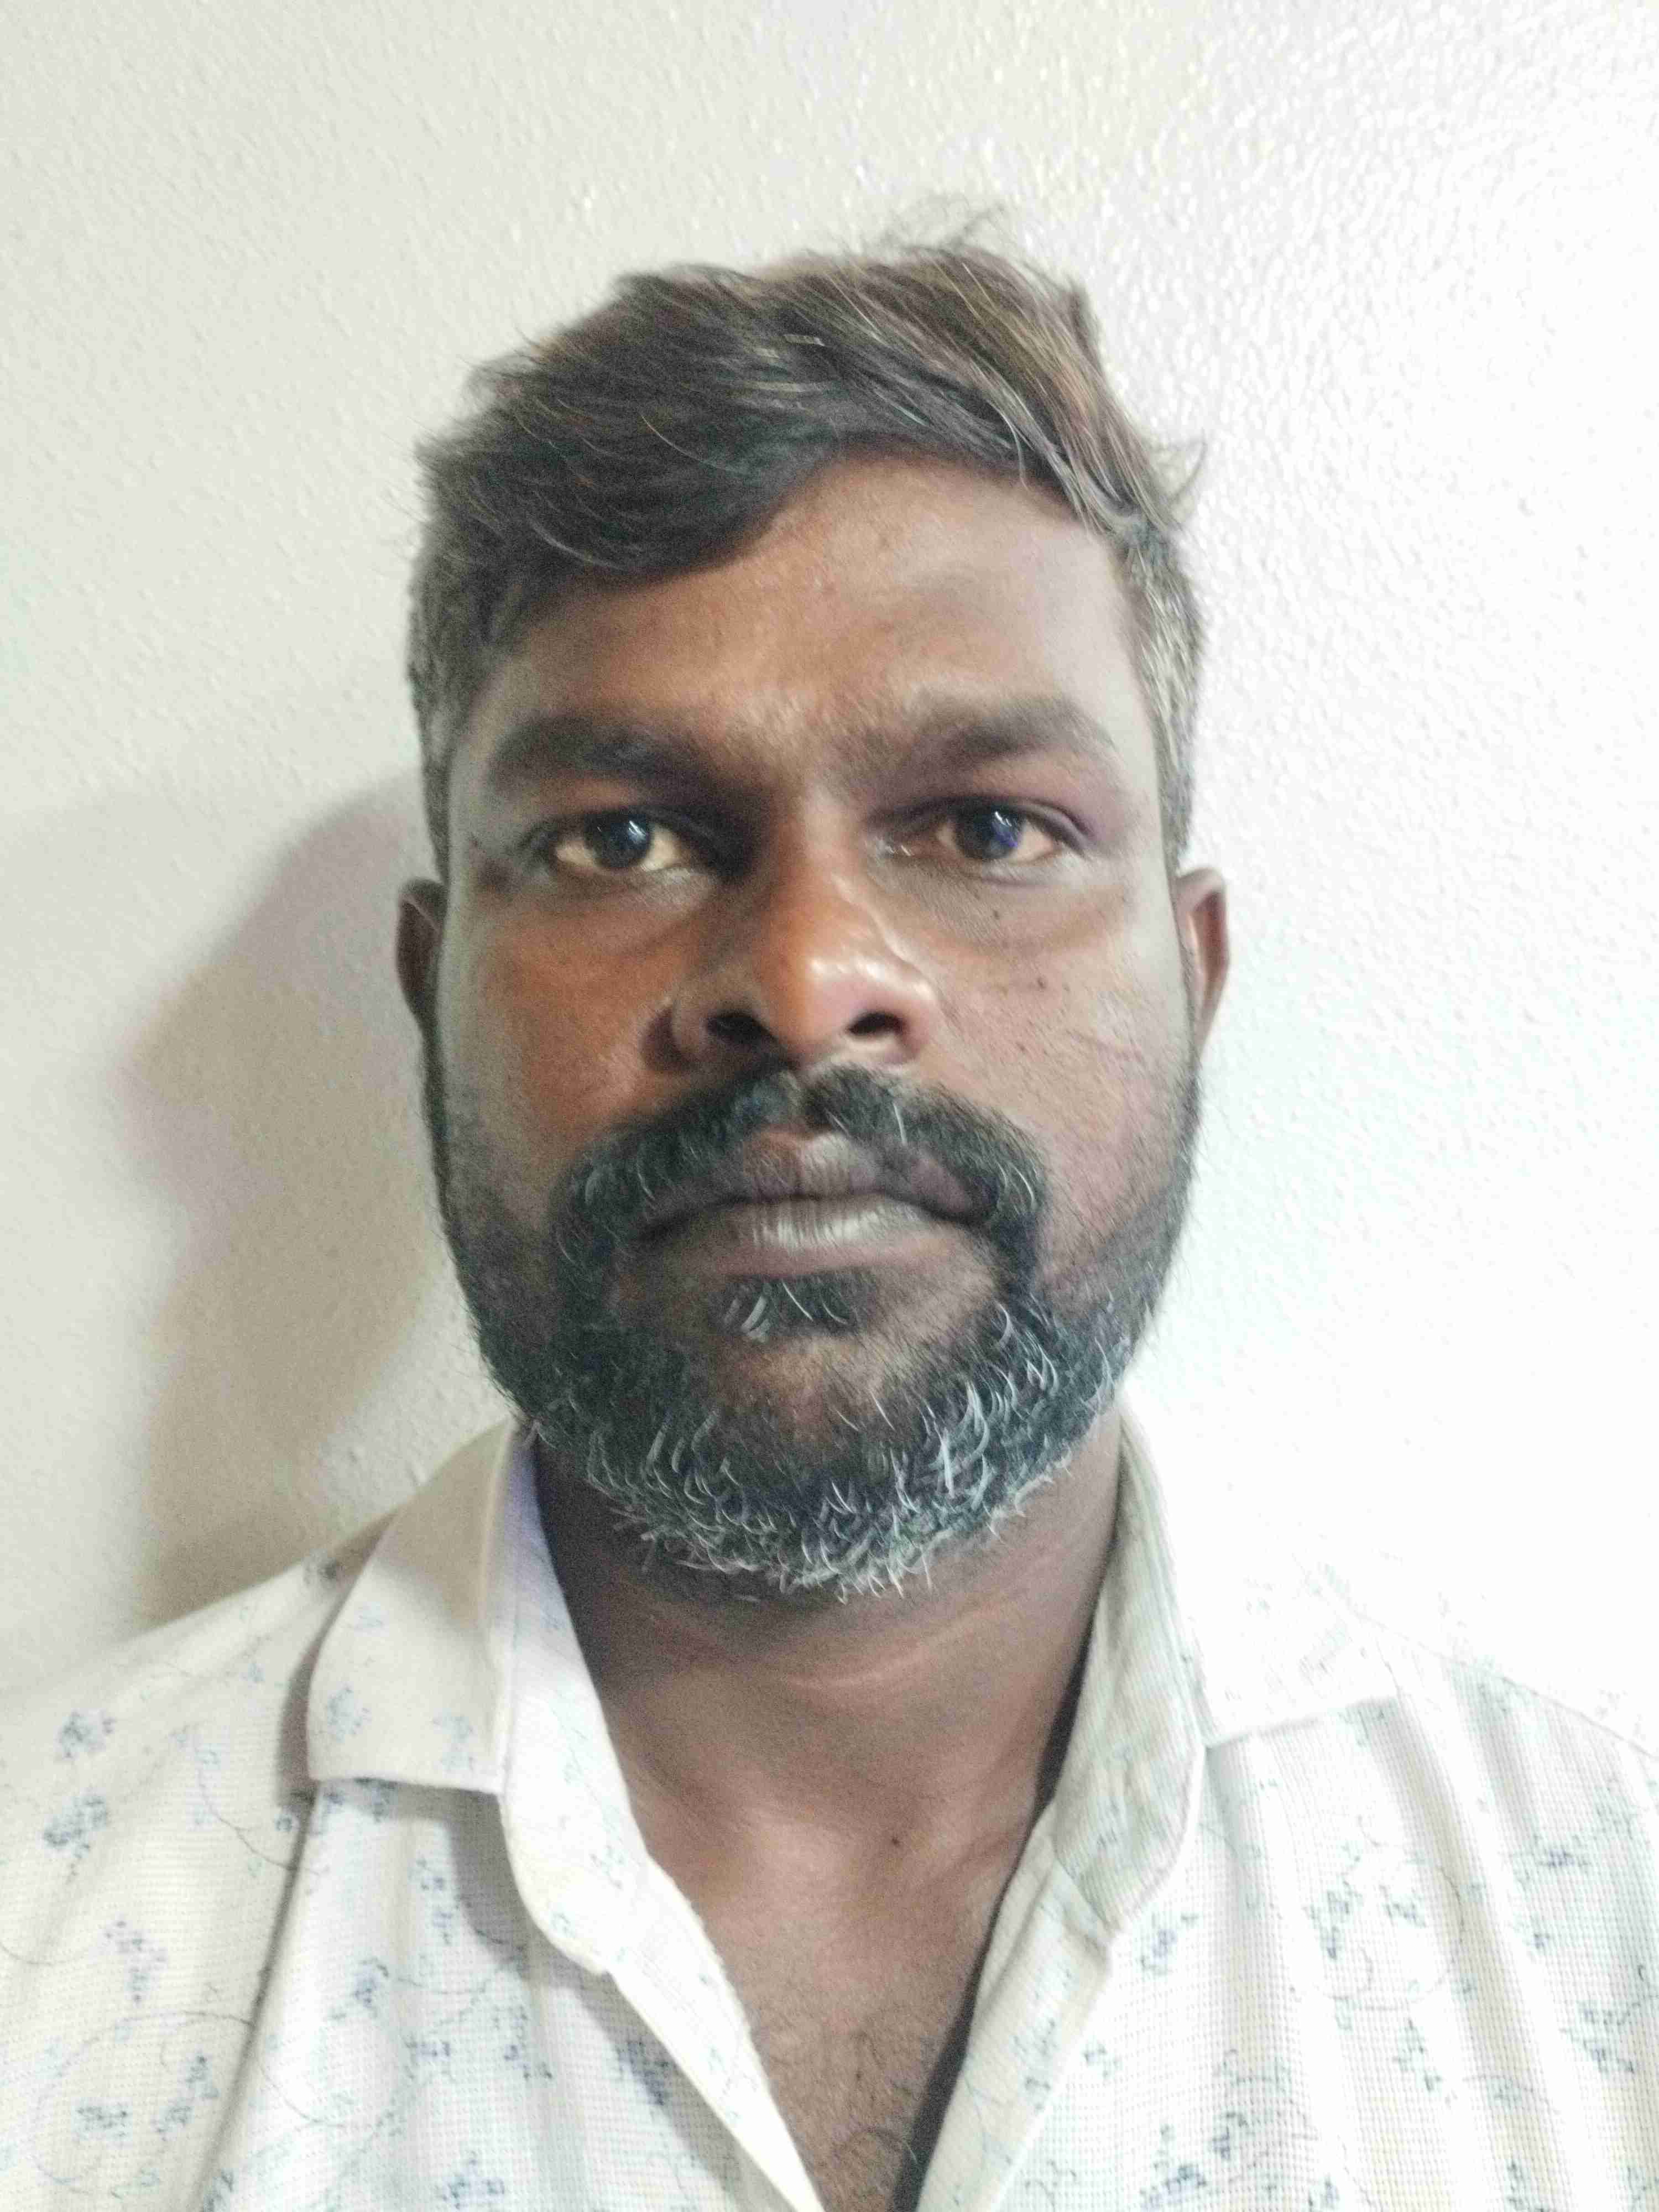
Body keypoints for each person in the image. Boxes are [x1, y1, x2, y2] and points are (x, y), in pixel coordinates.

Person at [1, 238, 1653, 2212]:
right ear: (434, 989)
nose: (801, 983)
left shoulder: (1598, 1917)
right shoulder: (44, 1937)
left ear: (1194, 974)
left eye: (987, 828)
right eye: (620, 838)